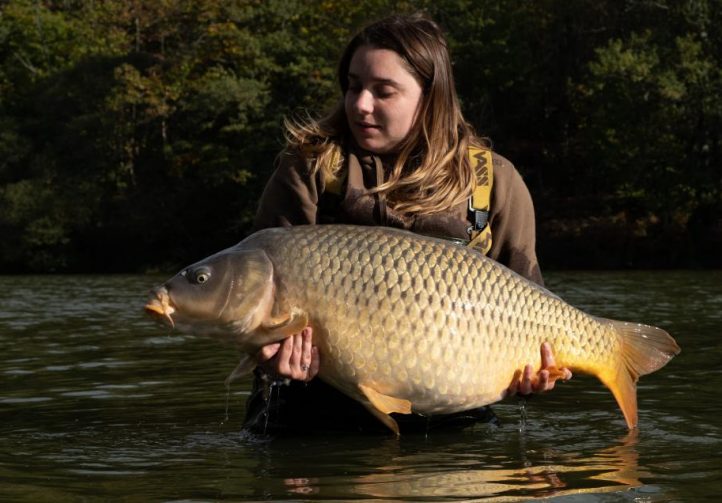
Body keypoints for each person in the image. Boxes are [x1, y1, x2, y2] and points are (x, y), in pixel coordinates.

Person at [243, 12, 571, 435]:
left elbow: (531, 312)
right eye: (354, 86)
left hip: (452, 416)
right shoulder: (310, 170)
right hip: (318, 411)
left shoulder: (495, 184)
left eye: (383, 91)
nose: (360, 104)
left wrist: (537, 375)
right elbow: (255, 299)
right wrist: (269, 356)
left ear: (430, 98)